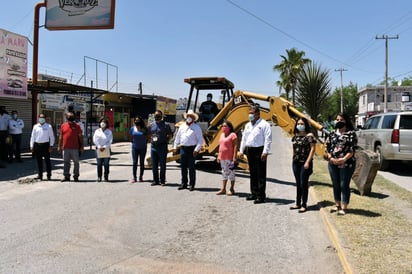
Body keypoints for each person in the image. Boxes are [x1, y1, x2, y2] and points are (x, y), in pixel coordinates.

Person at [239, 104, 272, 204]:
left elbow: (268, 139)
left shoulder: (264, 124)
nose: (250, 115)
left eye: (252, 113)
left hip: (260, 151)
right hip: (250, 150)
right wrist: (241, 150)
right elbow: (244, 138)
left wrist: (265, 151)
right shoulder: (248, 125)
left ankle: (261, 196)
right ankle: (254, 193)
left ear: (258, 114)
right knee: (252, 172)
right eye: (249, 113)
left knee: (260, 173)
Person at [325, 113, 357, 216]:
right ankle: (337, 205)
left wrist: (343, 159)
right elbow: (327, 147)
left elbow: (352, 150)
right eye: (337, 119)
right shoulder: (332, 133)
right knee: (336, 184)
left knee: (344, 185)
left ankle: (344, 207)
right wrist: (330, 157)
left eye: (341, 119)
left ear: (346, 121)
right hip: (332, 163)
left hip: (346, 164)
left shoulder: (351, 134)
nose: (339, 121)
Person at [290, 117, 316, 213]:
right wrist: (293, 158)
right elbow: (294, 148)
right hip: (296, 162)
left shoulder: (309, 136)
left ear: (305, 125)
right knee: (298, 183)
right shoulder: (295, 135)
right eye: (298, 123)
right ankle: (297, 203)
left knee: (303, 183)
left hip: (305, 163)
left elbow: (313, 149)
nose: (300, 125)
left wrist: (308, 162)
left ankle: (304, 204)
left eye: (302, 124)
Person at [173, 110, 203, 191]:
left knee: (191, 168)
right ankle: (184, 183)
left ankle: (192, 184)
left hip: (192, 149)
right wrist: (175, 147)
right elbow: (177, 138)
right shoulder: (182, 127)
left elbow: (200, 141)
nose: (189, 118)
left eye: (191, 116)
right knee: (183, 167)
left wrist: (196, 150)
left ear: (193, 118)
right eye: (188, 116)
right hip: (183, 149)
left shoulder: (197, 128)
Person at [58, 112, 84, 182]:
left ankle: (76, 176)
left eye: (72, 116)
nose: (71, 117)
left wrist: (82, 146)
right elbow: (61, 137)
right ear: (67, 117)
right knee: (66, 162)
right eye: (69, 116)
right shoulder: (63, 125)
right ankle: (66, 176)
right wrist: (59, 146)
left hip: (75, 148)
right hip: (65, 148)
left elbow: (80, 137)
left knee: (76, 162)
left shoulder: (77, 126)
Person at [148, 110, 173, 186]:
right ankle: (155, 180)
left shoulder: (166, 125)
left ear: (161, 116)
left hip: (162, 147)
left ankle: (162, 180)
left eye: (158, 115)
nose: (157, 117)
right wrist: (151, 139)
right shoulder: (151, 125)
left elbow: (170, 134)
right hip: (153, 147)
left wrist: (166, 140)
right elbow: (148, 134)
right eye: (155, 116)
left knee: (162, 164)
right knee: (154, 165)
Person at [30, 113, 55, 180]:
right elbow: (32, 136)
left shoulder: (48, 126)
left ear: (45, 119)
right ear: (38, 118)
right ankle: (40, 175)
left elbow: (52, 137)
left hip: (46, 145)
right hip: (37, 145)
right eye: (40, 117)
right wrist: (31, 146)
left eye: (43, 117)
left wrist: (51, 146)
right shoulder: (35, 126)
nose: (41, 119)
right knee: (39, 161)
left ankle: (49, 175)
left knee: (47, 161)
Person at [216, 120, 238, 195]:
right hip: (222, 158)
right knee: (224, 173)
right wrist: (219, 156)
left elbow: (235, 146)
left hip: (230, 158)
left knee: (231, 173)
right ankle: (223, 189)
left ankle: (232, 189)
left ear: (229, 127)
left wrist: (234, 157)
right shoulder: (222, 135)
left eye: (225, 126)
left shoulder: (233, 135)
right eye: (223, 126)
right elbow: (220, 146)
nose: (223, 127)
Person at [93, 117, 113, 182]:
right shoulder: (97, 131)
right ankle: (99, 177)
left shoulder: (109, 132)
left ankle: (106, 176)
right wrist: (99, 146)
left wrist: (104, 147)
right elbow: (95, 140)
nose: (103, 123)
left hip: (106, 149)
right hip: (98, 149)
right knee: (99, 164)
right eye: (102, 122)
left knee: (106, 164)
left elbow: (110, 140)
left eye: (104, 122)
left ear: (106, 124)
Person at [129, 116, 148, 183]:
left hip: (143, 148)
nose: (136, 122)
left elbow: (147, 137)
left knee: (141, 162)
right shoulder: (132, 129)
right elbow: (131, 137)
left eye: (138, 120)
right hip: (135, 148)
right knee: (134, 162)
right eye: (135, 120)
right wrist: (134, 143)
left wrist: (143, 143)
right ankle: (134, 177)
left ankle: (141, 176)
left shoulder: (144, 129)